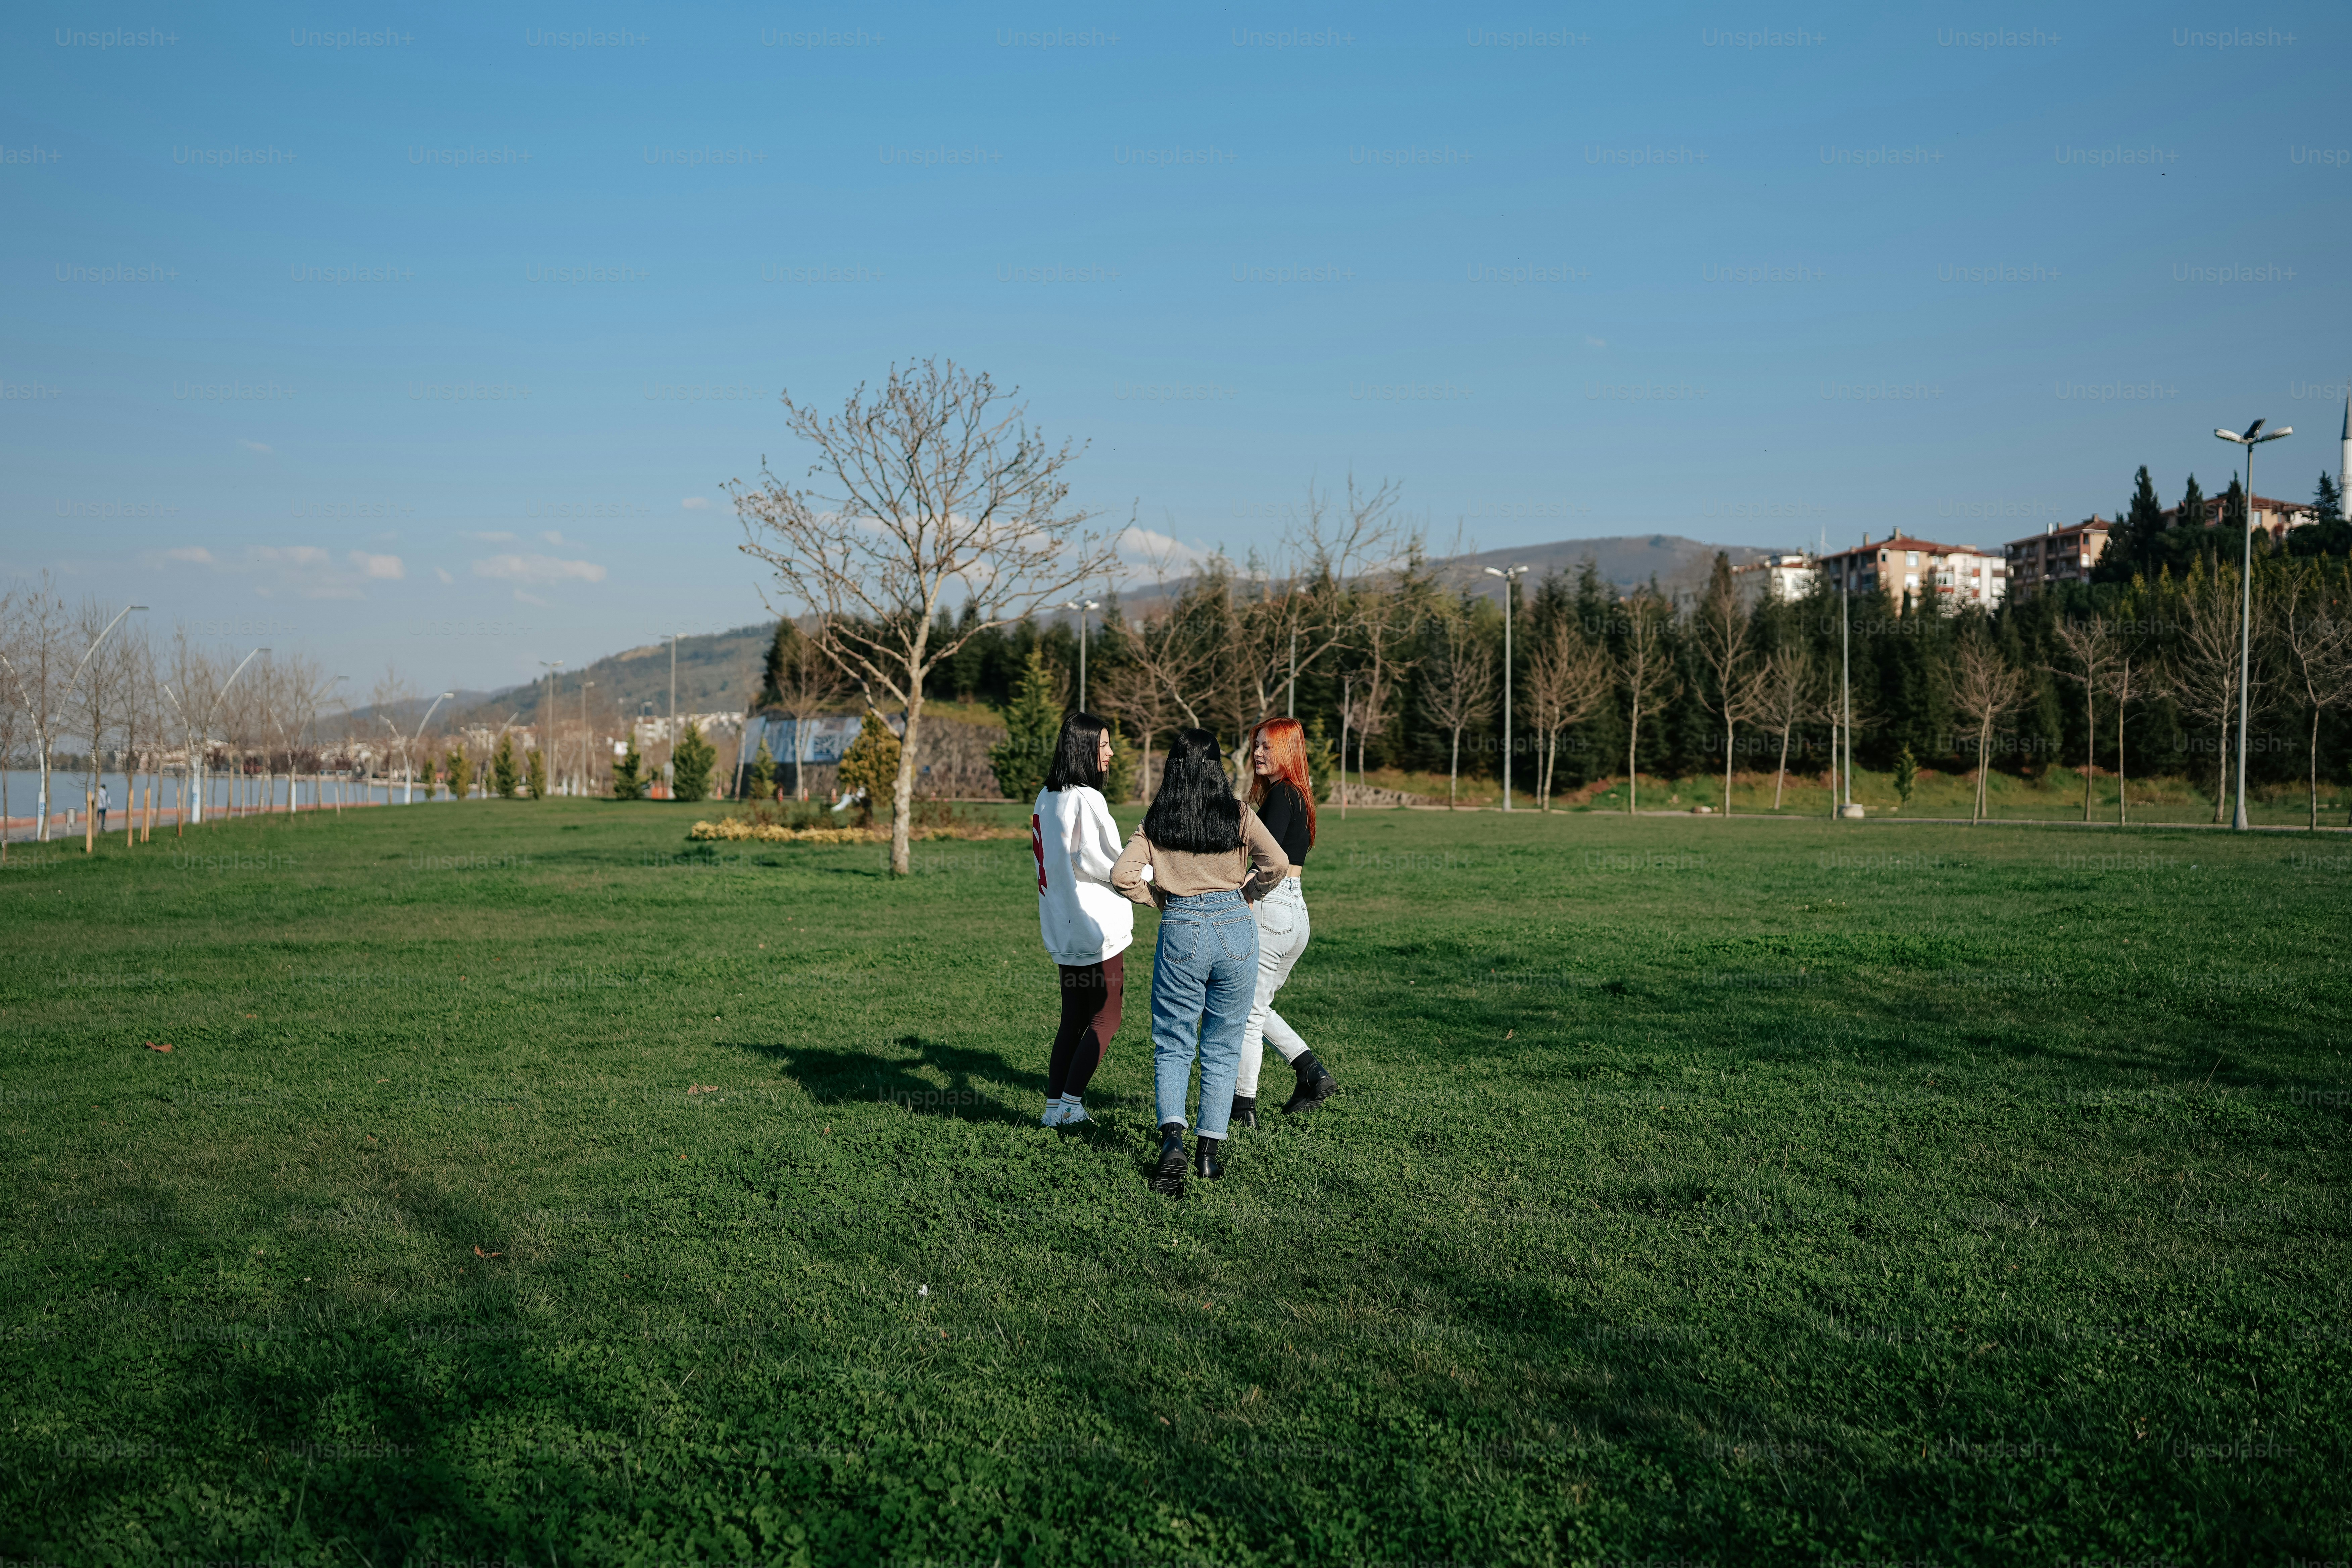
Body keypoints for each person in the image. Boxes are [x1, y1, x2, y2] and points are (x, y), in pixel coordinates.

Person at [1112, 728, 1287, 1197]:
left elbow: (1121, 875)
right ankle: (1209, 1156)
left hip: (1182, 930)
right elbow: (1278, 862)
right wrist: (1250, 891)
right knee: (1224, 1043)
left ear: (1171, 768)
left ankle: (1173, 1139)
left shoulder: (1157, 820)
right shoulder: (1238, 814)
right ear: (1217, 768)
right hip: (1235, 927)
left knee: (1173, 1042)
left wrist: (1157, 899)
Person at [1231, 718, 1339, 1126]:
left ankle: (1243, 1111)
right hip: (1296, 915)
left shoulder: (1280, 796)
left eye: (1268, 747)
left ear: (1288, 751)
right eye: (1256, 744)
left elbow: (1265, 860)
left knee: (1247, 1015)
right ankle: (1311, 1073)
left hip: (1271, 908)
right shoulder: (1298, 795)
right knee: (1256, 1007)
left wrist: (1241, 894)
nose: (1258, 753)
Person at [1031, 712, 1132, 1127]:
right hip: (1096, 926)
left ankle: (1055, 1108)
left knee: (1073, 1016)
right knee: (1107, 1017)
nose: (1110, 752)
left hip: (1061, 924)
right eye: (1104, 744)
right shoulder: (1086, 797)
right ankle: (1070, 1104)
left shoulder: (1046, 794)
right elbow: (1105, 861)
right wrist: (1152, 876)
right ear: (1085, 748)